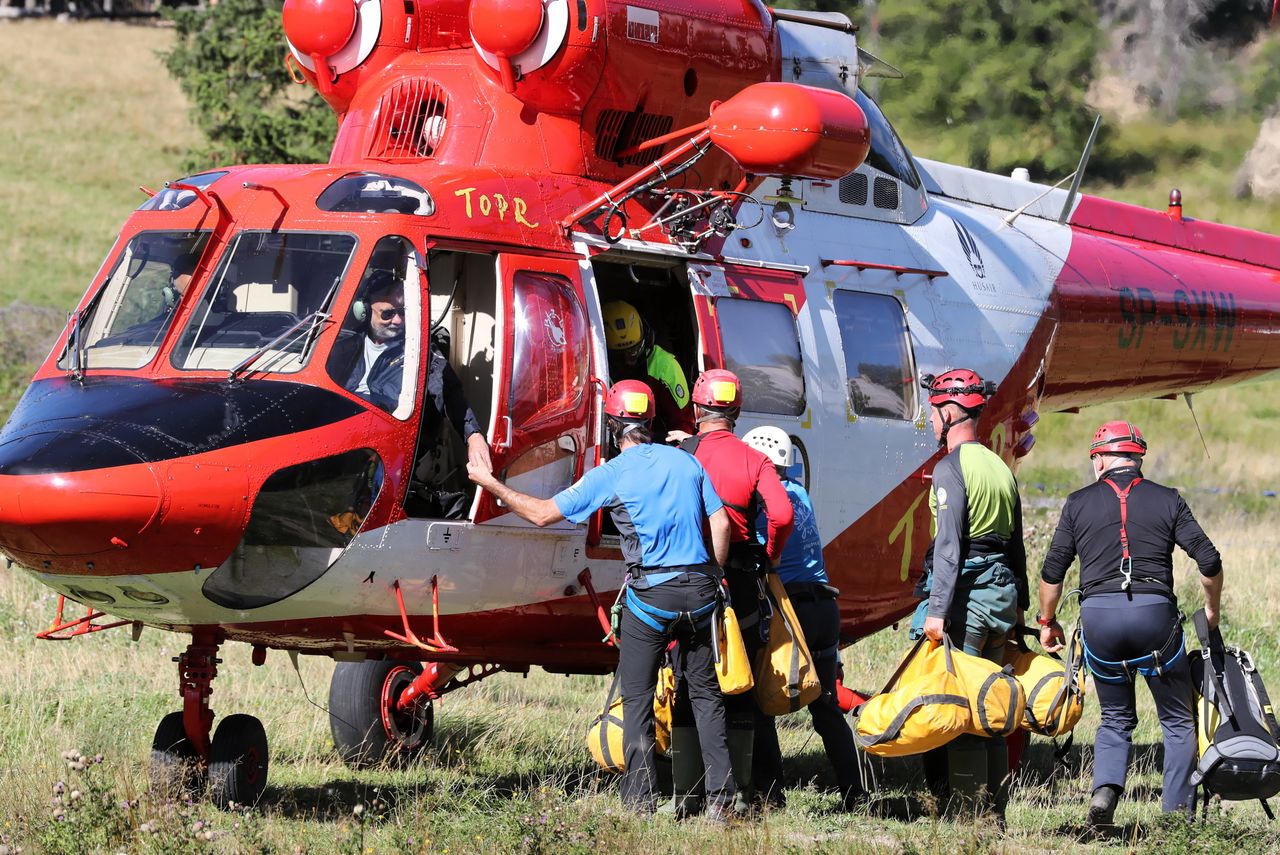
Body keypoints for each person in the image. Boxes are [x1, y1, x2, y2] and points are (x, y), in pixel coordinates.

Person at [467, 380, 735, 818]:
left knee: (638, 698)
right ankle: (722, 802)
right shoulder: (687, 462)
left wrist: (489, 482)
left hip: (651, 599)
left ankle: (640, 803)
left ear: (614, 427)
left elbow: (540, 514)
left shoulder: (612, 473)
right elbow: (720, 524)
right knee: (705, 696)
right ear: (650, 423)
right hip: (702, 592)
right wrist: (717, 575)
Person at [1039, 421, 1223, 827]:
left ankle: (1104, 793)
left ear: (1100, 458)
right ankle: (1176, 821)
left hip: (1100, 621)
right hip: (1155, 621)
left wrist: (1047, 621)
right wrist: (1211, 610)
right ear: (1137, 458)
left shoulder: (1077, 502)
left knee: (1116, 718)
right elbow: (1209, 560)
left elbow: (1053, 572)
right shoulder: (1168, 499)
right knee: (1177, 721)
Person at [669, 368, 794, 813]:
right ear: (736, 413)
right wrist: (771, 557)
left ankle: (687, 792)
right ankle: (750, 790)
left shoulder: (683, 453)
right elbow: (781, 514)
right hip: (739, 581)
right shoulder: (753, 458)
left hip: (688, 578)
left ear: (699, 410)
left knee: (689, 678)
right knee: (739, 678)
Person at [911, 368, 1028, 816]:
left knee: (959, 700)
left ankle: (965, 810)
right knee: (991, 700)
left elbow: (949, 546)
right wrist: (1020, 606)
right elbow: (1015, 544)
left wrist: (937, 611)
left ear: (951, 411)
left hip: (969, 602)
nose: (932, 421)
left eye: (935, 411)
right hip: (1001, 598)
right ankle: (994, 808)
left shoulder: (949, 468)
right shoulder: (1000, 466)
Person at [741, 425, 865, 810]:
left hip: (789, 611)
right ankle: (855, 793)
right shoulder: (799, 493)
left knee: (762, 701)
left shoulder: (763, 504)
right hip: (824, 607)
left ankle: (771, 794)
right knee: (826, 707)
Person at [328, 272, 492, 484]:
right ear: (365, 312)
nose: (397, 320)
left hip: (387, 449)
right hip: (342, 441)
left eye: (402, 312)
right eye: (387, 314)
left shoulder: (418, 352)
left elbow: (449, 392)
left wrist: (473, 436)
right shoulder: (345, 348)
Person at [602, 300, 694, 438]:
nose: (628, 361)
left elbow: (683, 421)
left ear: (647, 339)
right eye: (619, 356)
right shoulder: (597, 369)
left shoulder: (665, 365)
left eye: (634, 352)